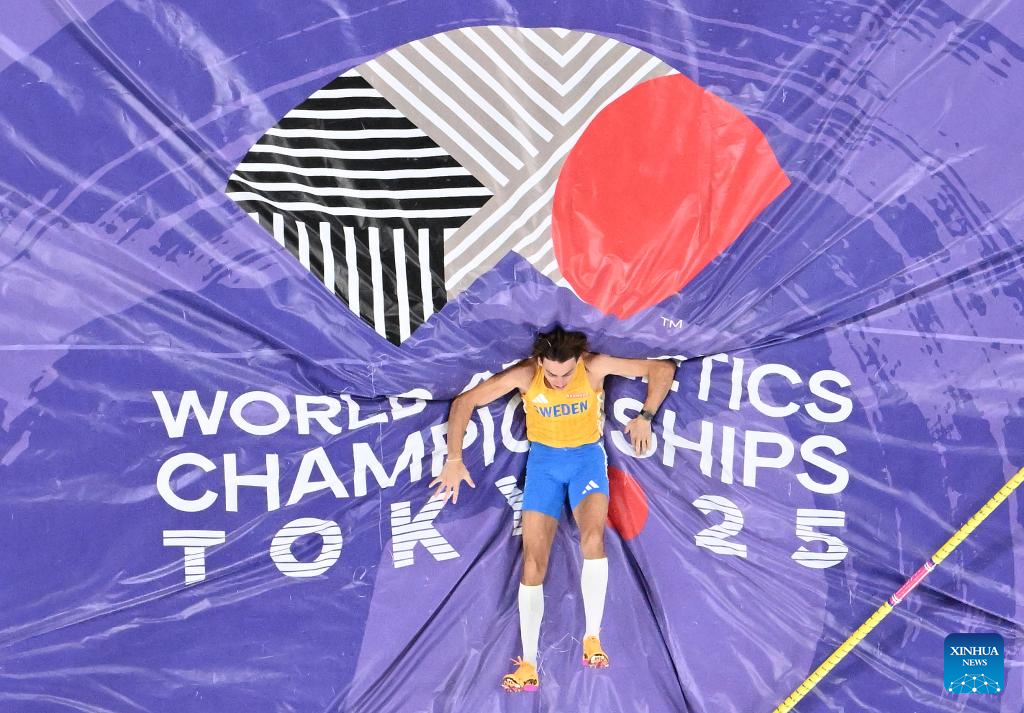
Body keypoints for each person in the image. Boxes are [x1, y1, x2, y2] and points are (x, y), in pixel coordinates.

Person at [431, 326, 676, 692]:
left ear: (578, 361)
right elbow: (464, 403)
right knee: (533, 562)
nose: (559, 382)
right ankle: (528, 664)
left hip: (585, 461)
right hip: (544, 466)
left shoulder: (593, 367)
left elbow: (663, 369)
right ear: (540, 362)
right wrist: (454, 459)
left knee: (593, 539)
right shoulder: (526, 374)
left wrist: (646, 415)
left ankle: (592, 638)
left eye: (565, 374)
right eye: (552, 375)